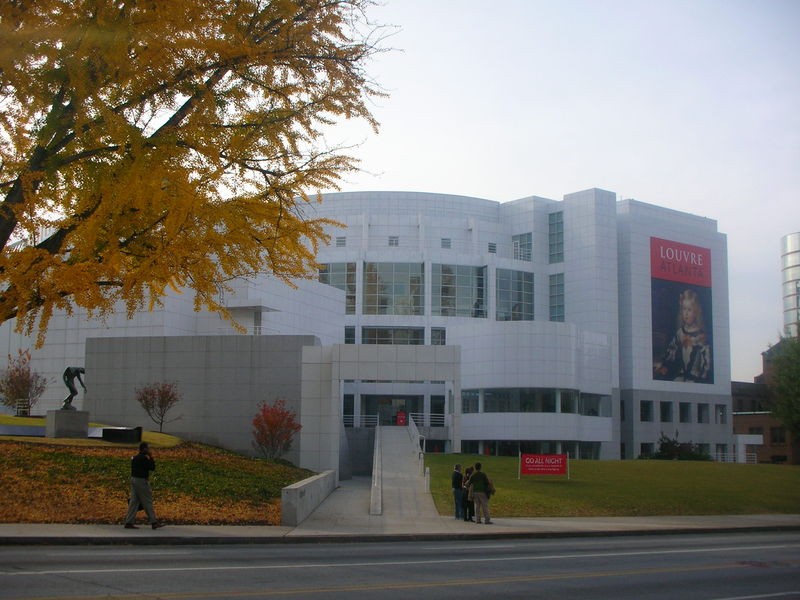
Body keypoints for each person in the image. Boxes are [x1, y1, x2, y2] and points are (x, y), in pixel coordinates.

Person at [654, 289, 712, 383]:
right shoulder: (680, 333)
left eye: (689, 310)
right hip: (680, 377)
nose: (686, 313)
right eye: (684, 309)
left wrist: (702, 376)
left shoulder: (701, 337)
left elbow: (707, 361)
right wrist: (663, 365)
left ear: (696, 312)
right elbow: (671, 353)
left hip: (695, 379)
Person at [123, 442, 164, 530]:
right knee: (147, 500)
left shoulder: (134, 458)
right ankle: (153, 521)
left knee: (133, 502)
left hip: (133, 480)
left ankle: (129, 522)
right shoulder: (144, 459)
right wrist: (151, 457)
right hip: (142, 481)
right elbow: (152, 467)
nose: (149, 450)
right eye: (148, 448)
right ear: (145, 449)